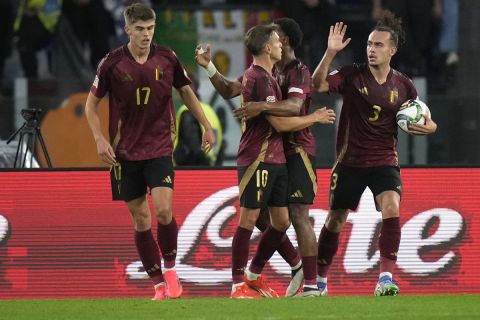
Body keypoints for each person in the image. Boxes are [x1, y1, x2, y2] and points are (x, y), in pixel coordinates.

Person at [84, 3, 215, 300]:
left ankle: (170, 268)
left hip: (159, 146)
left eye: (150, 28)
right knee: (141, 219)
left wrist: (206, 125)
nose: (146, 34)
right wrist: (98, 139)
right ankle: (157, 283)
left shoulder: (167, 57)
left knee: (164, 209)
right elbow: (90, 105)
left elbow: (185, 91)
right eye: (140, 29)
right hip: (123, 152)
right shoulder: (111, 63)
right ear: (127, 29)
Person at [196, 18, 335, 297]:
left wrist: (258, 106)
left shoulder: (296, 72)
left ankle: (311, 283)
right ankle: (257, 275)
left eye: (277, 34)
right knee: (261, 217)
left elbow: (294, 107)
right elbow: (228, 90)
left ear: (283, 40)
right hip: (267, 151)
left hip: (296, 150)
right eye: (271, 36)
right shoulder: (261, 74)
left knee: (294, 216)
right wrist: (210, 66)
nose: (275, 39)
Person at [311, 12, 437, 296]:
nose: (371, 49)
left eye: (379, 45)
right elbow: (316, 85)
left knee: (391, 208)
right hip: (350, 161)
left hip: (384, 160)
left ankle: (386, 279)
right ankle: (318, 280)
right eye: (369, 44)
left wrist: (429, 129)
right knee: (335, 219)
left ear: (392, 50)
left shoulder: (404, 85)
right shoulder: (351, 76)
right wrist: (330, 53)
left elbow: (427, 118)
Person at [14, 0, 62, 78]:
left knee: (27, 48)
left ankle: (32, 79)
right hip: (39, 23)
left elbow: (31, 6)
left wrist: (31, 5)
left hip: (45, 23)